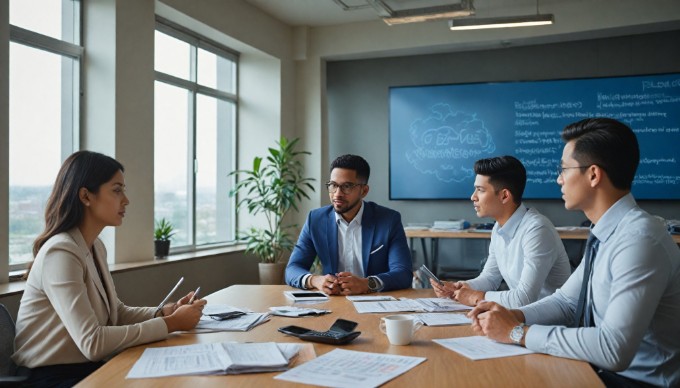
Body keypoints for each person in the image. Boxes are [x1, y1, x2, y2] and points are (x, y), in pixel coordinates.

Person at [468, 118, 680, 387]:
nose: (558, 179)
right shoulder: (606, 234)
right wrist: (514, 316)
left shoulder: (639, 240)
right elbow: (566, 302)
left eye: (564, 169)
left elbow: (613, 349)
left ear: (593, 174)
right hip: (596, 370)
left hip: (635, 381)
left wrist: (517, 331)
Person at [12, 151, 207, 387]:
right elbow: (92, 342)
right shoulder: (61, 253)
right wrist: (172, 324)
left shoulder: (94, 246)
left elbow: (116, 313)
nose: (126, 200)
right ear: (86, 196)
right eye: (117, 190)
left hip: (86, 369)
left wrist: (165, 312)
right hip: (52, 378)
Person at [431, 156, 571, 308]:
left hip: (550, 323)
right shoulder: (499, 228)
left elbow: (524, 298)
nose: (473, 197)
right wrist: (459, 287)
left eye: (480, 190)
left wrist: (477, 297)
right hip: (523, 318)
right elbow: (490, 278)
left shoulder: (537, 230)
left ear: (504, 196)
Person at [285, 154, 412, 295]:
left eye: (347, 186)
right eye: (333, 185)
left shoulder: (388, 220)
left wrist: (367, 284)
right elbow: (293, 269)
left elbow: (403, 273)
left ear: (364, 191)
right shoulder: (315, 219)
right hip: (333, 302)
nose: (337, 194)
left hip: (374, 301)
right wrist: (315, 280)